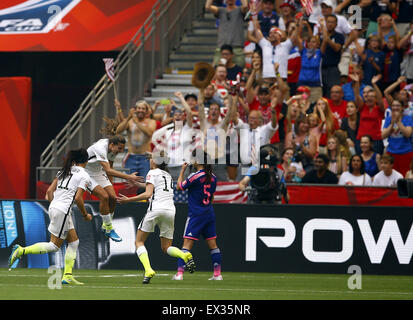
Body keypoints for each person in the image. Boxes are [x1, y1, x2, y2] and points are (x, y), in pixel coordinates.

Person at [8, 149, 93, 285]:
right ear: (86, 161)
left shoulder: (63, 171)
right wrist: (85, 214)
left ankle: (67, 275)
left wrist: (55, 206)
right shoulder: (84, 175)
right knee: (54, 246)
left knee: (74, 242)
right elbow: (78, 198)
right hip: (63, 210)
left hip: (55, 207)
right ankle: (21, 250)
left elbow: (49, 191)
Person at [116, 152, 195, 284]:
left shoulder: (152, 172)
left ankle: (148, 270)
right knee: (166, 247)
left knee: (139, 242)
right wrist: (137, 185)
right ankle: (184, 254)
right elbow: (155, 188)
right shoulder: (167, 175)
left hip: (156, 209)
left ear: (155, 162)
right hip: (170, 211)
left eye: (151, 158)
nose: (150, 160)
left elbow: (148, 193)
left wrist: (128, 200)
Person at [85, 134, 142, 242]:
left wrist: (110, 185)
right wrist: (129, 176)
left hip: (98, 172)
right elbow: (108, 170)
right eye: (119, 148)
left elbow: (110, 167)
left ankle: (105, 227)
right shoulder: (100, 148)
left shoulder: (113, 149)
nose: (121, 151)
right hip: (86, 173)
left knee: (112, 197)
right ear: (111, 145)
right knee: (104, 197)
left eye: (122, 148)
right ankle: (109, 228)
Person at [175, 152, 222, 281]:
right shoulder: (213, 177)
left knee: (186, 245)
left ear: (197, 161)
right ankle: (217, 274)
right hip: (209, 213)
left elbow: (180, 187)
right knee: (213, 244)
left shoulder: (195, 176)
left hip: (196, 214)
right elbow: (212, 197)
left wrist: (182, 171)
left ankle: (179, 274)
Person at [116, 100, 157, 179]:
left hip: (145, 157)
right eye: (138, 108)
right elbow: (118, 131)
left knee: (145, 182)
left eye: (143, 108)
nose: (140, 110)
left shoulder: (151, 122)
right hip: (131, 157)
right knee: (131, 184)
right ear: (135, 110)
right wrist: (128, 118)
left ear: (146, 111)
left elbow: (149, 133)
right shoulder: (130, 121)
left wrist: (136, 122)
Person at [206, 0, 249, 68]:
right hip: (221, 48)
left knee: (239, 70)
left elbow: (245, 6)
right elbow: (208, 7)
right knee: (218, 70)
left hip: (236, 49)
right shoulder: (220, 10)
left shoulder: (239, 10)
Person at [381, 99, 413, 176]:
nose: (395, 108)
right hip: (391, 153)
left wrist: (398, 121)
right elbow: (382, 136)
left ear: (402, 108)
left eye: (397, 105)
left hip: (406, 152)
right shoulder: (388, 119)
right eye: (393, 106)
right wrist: (392, 123)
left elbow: (408, 134)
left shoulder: (408, 118)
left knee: (405, 176)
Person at [319, 14, 345, 97]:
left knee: (333, 92)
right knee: (321, 92)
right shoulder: (319, 36)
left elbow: (337, 48)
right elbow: (320, 52)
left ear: (336, 24)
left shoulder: (339, 36)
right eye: (328, 22)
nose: (330, 24)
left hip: (333, 69)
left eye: (333, 22)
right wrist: (324, 38)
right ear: (326, 23)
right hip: (320, 68)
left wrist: (327, 39)